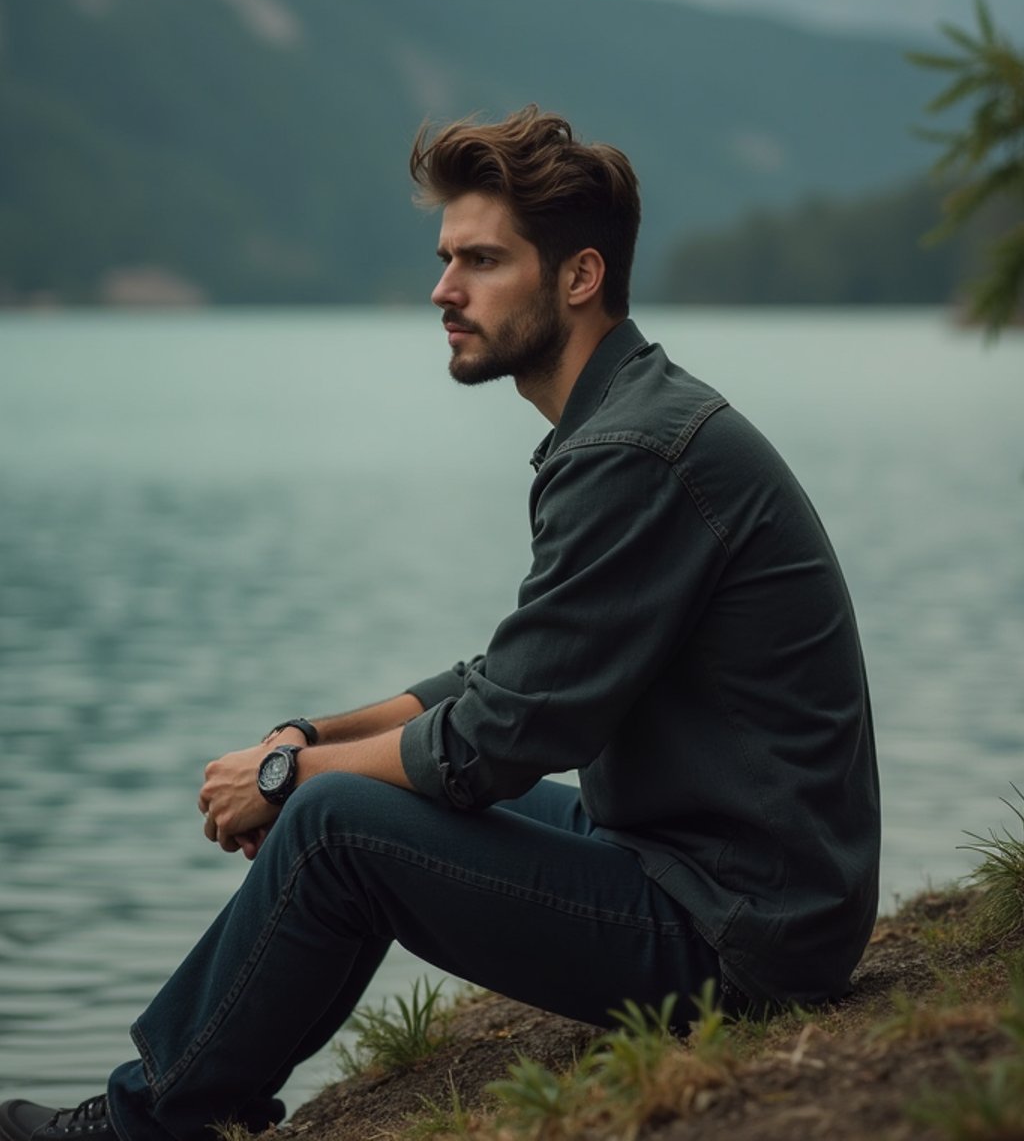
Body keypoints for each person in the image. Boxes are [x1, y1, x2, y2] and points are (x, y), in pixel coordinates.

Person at [0, 108, 880, 1141]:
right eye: (444, 258)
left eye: (481, 261)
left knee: (333, 826)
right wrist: (307, 739)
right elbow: (503, 680)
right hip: (699, 867)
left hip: (736, 934)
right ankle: (213, 1093)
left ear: (578, 277)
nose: (442, 290)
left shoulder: (636, 450)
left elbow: (497, 744)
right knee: (337, 796)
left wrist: (291, 783)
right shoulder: (622, 423)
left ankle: (145, 1125)